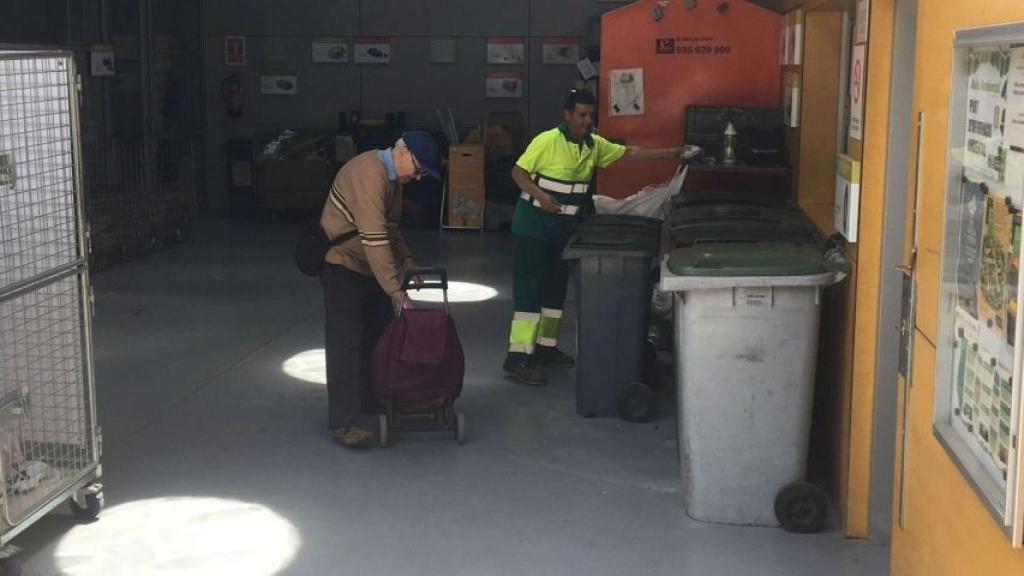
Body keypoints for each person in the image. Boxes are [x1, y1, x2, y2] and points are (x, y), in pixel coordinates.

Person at [503, 89, 684, 385]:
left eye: (590, 115)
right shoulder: (547, 141)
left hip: (563, 231)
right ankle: (518, 359)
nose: (587, 121)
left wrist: (673, 153)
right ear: (568, 115)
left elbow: (630, 154)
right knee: (529, 294)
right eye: (582, 115)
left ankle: (546, 349)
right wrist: (542, 196)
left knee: (554, 293)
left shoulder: (593, 145)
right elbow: (518, 173)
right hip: (533, 230)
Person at [320, 131, 441, 447]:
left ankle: (373, 400)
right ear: (402, 151)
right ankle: (343, 424)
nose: (417, 176)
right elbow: (374, 240)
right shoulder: (369, 173)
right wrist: (397, 294)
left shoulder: (394, 181)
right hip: (342, 266)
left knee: (379, 337)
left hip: (369, 270)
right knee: (345, 344)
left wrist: (408, 260)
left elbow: (391, 230)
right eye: (417, 168)